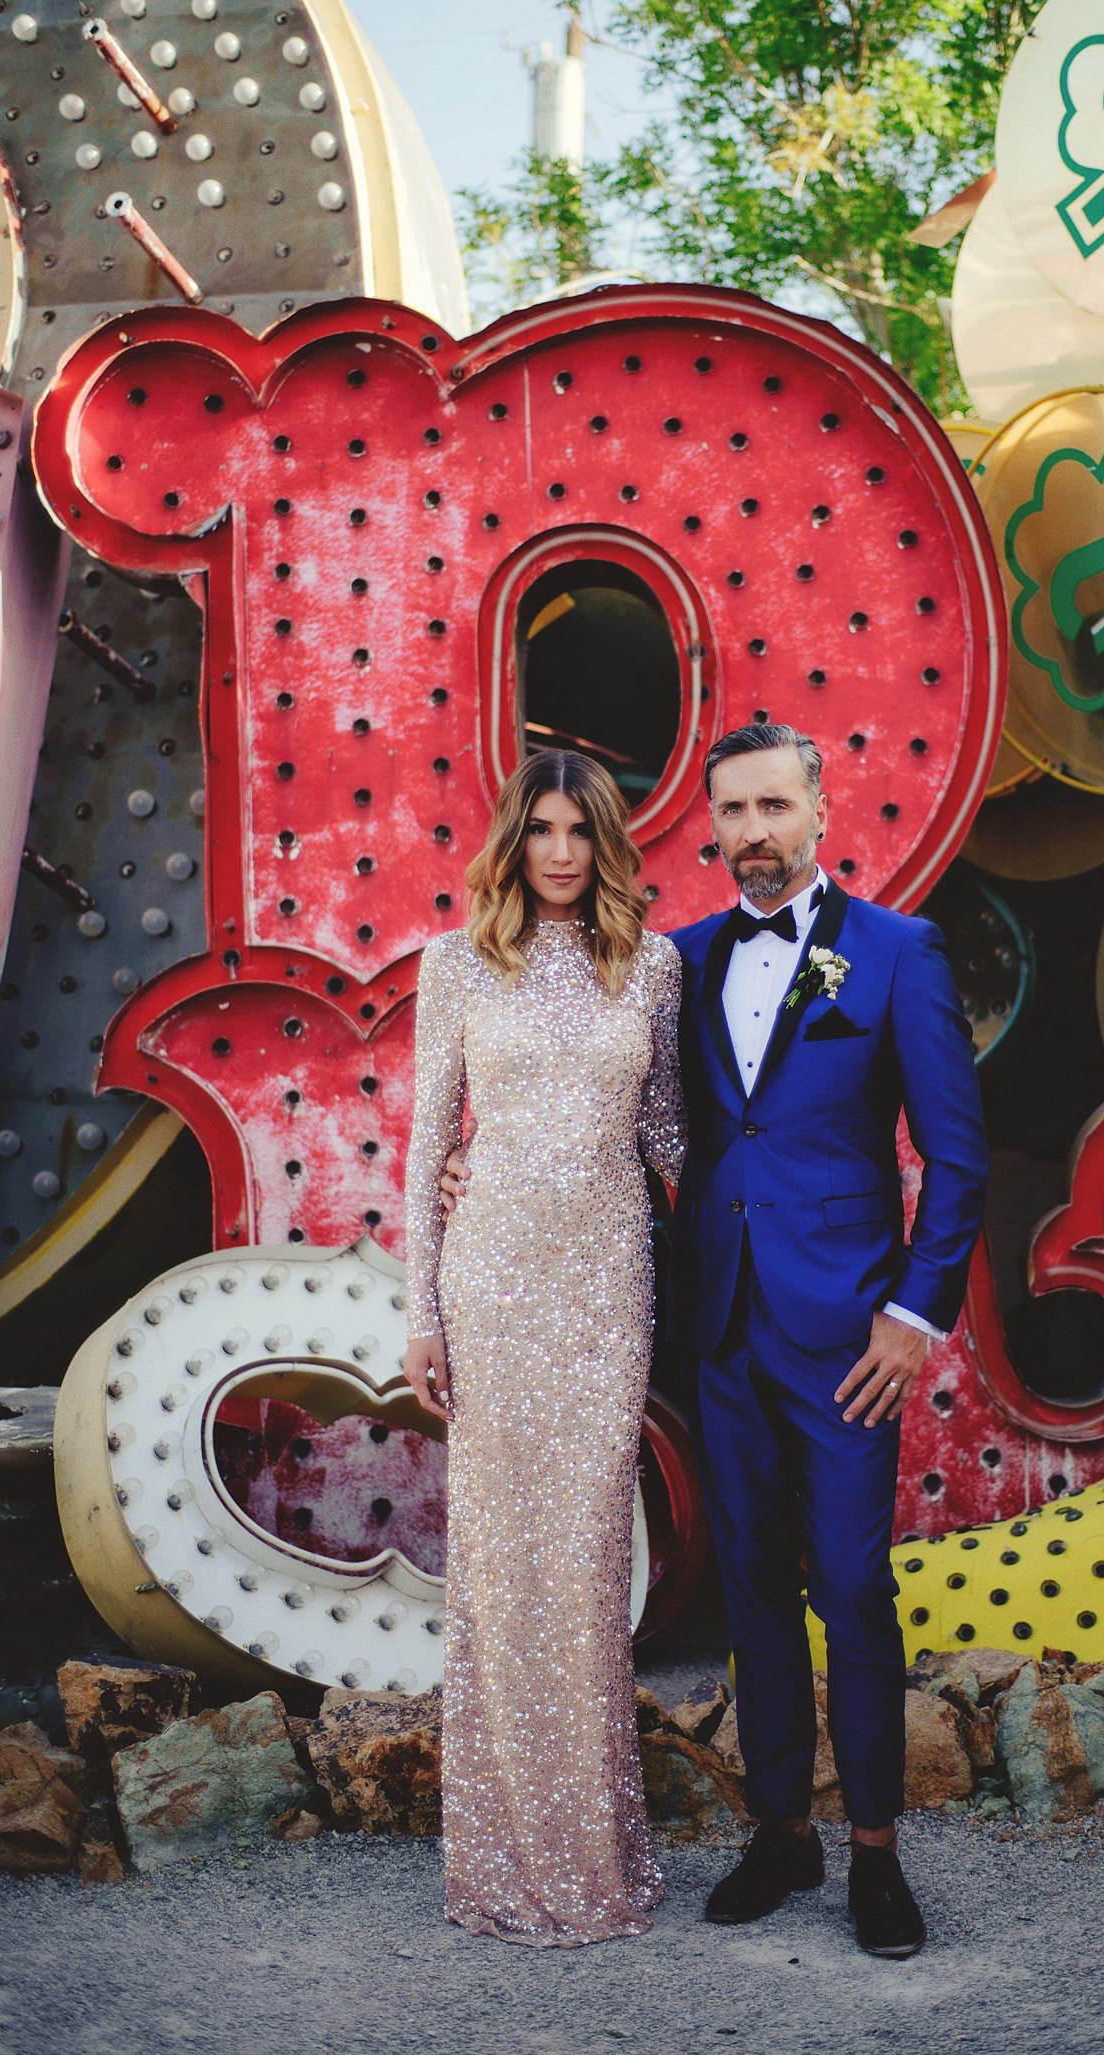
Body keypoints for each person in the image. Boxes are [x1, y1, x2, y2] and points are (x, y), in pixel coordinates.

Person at [668, 722, 988, 1959]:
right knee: (747, 1586)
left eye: (773, 808)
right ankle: (780, 1832)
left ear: (819, 810)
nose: (752, 833)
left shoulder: (899, 953)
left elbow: (956, 1157)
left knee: (852, 1587)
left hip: (849, 1333)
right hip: (723, 1327)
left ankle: (874, 1855)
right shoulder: (684, 961)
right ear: (712, 823)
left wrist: (914, 1315)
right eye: (732, 812)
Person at [401, 747, 685, 1947]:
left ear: (607, 843)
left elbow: (671, 1131)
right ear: (513, 841)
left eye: (582, 831)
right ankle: (504, 1859)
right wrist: (421, 1308)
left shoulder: (653, 964)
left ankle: (597, 1852)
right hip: (496, 1286)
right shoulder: (457, 964)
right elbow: (427, 1148)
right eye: (543, 830)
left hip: (605, 1286)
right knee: (502, 1565)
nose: (562, 853)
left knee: (584, 1564)